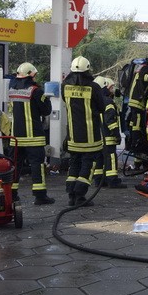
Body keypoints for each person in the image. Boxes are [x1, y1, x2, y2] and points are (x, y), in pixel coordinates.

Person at [61, 56, 107, 207]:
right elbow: (101, 107)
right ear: (88, 69)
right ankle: (80, 196)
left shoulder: (64, 86)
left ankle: (71, 195)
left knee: (74, 163)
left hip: (73, 135)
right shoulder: (94, 87)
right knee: (88, 164)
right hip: (90, 136)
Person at [7, 62, 55, 205]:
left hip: (15, 137)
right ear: (31, 75)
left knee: (14, 165)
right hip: (33, 136)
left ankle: (12, 194)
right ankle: (40, 196)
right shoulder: (36, 91)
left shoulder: (12, 89)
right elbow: (46, 110)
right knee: (37, 165)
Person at [94, 77, 126, 188]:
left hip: (98, 137)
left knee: (99, 159)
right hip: (108, 136)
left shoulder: (94, 100)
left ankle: (98, 180)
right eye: (111, 87)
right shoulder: (108, 101)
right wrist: (116, 134)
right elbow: (110, 121)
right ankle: (113, 180)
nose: (112, 90)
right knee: (111, 158)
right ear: (105, 87)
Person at [124, 54, 148, 151]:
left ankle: (132, 139)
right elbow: (144, 78)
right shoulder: (146, 67)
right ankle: (136, 139)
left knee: (133, 119)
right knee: (137, 120)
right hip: (138, 100)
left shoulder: (141, 66)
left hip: (134, 98)